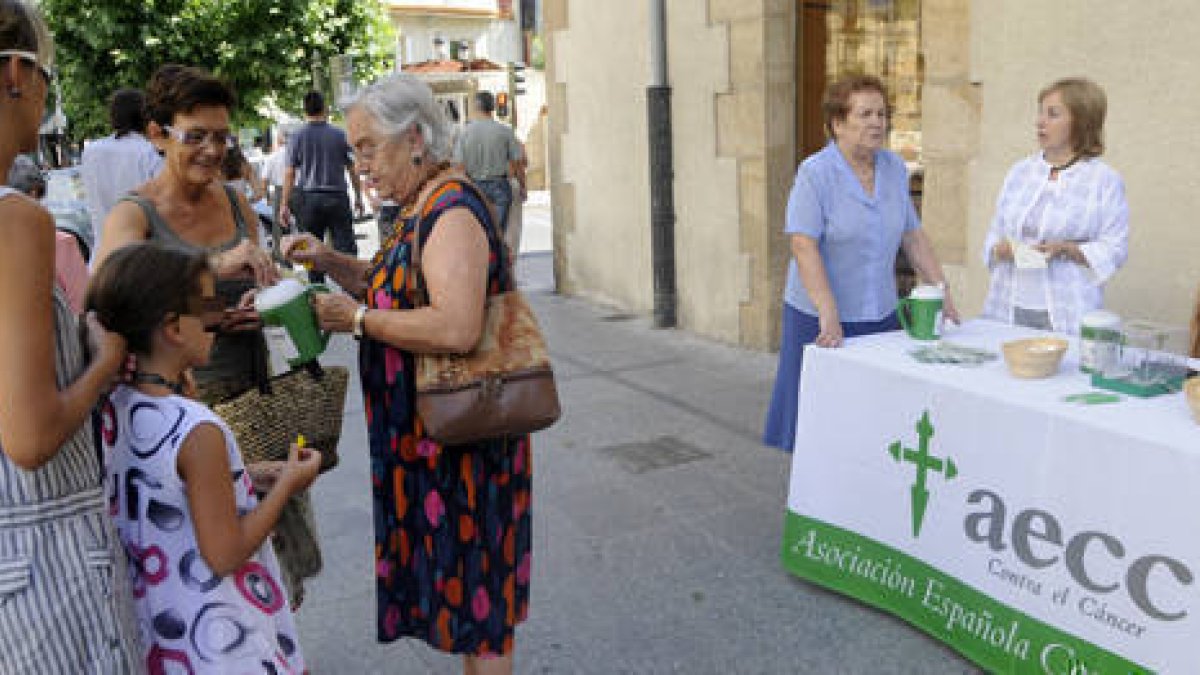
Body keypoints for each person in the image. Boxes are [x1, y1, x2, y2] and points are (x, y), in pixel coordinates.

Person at [281, 73, 532, 675]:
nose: (359, 164)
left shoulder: (450, 210)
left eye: (368, 147)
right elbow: (392, 284)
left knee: (482, 610)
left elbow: (455, 326)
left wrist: (357, 321)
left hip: (461, 444)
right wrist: (331, 260)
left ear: (415, 138)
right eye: (355, 149)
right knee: (465, 599)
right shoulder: (418, 205)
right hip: (429, 442)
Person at [93, 65, 320, 609]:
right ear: (157, 133)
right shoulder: (135, 213)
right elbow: (108, 299)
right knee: (214, 572)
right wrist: (215, 267)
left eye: (222, 136)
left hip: (260, 395)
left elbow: (248, 284)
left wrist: (263, 297)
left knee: (277, 564)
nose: (213, 150)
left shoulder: (234, 200)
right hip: (190, 412)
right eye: (196, 136)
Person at [87, 242, 316, 674]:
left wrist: (245, 477)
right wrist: (287, 485)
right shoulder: (196, 429)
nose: (216, 318)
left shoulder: (115, 404)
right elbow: (225, 553)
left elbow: (164, 494)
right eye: (207, 307)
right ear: (173, 327)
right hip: (224, 639)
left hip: (163, 634)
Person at [0, 2, 143, 671]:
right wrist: (103, 360)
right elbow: (29, 436)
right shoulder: (17, 222)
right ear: (15, 74)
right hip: (45, 567)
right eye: (46, 77)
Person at [762, 75, 958, 452]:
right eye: (865, 114)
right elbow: (803, 245)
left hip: (879, 314)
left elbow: (912, 236)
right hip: (821, 317)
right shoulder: (815, 173)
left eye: (882, 114)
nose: (877, 123)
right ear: (838, 123)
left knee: (873, 419)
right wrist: (828, 310)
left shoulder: (895, 168)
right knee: (820, 423)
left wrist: (942, 290)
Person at [981, 78, 1129, 335]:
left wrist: (1068, 250)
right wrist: (999, 249)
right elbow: (996, 230)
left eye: (1053, 114)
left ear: (1081, 122)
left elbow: (1115, 248)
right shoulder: (1020, 172)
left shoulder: (1103, 181)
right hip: (1007, 307)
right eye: (1040, 112)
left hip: (1067, 311)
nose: (1040, 121)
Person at [279, 90, 365, 278]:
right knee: (345, 248)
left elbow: (289, 173)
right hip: (337, 198)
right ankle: (352, 292)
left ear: (305, 110)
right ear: (324, 108)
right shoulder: (339, 135)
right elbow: (352, 168)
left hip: (309, 200)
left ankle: (317, 294)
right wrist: (358, 196)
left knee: (311, 252)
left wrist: (284, 204)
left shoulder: (296, 137)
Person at [79, 87, 163, 254]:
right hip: (141, 258)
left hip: (102, 256)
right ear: (144, 115)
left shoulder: (91, 152)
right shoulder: (150, 153)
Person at [454, 91, 526, 236]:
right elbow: (517, 163)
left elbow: (459, 167)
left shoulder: (464, 133)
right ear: (493, 107)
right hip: (500, 186)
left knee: (479, 232)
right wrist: (523, 186)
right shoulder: (505, 131)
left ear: (475, 107)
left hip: (475, 187)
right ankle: (499, 255)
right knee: (498, 233)